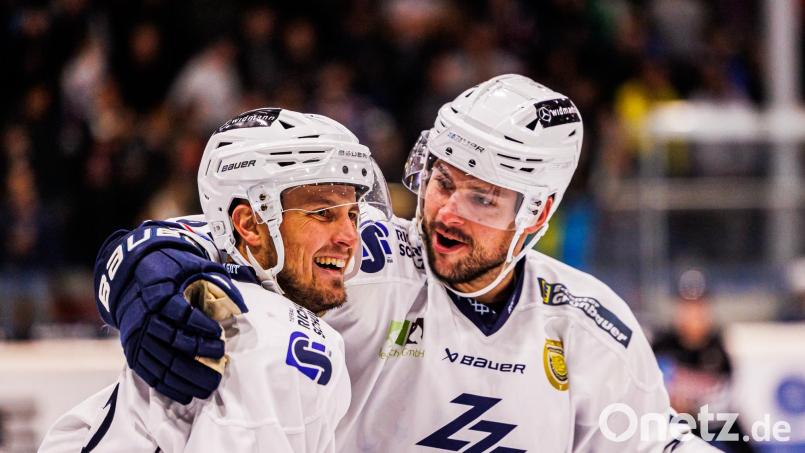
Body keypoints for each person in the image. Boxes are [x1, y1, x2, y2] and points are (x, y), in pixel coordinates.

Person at [87, 75, 719, 451]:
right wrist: (146, 269)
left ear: (538, 211)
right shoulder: (368, 252)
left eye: (483, 199)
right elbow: (201, 237)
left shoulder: (590, 324)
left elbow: (647, 441)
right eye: (442, 182)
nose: (446, 212)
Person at [39, 108, 392, 452]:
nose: (351, 237)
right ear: (251, 225)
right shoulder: (273, 339)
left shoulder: (218, 281)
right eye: (322, 213)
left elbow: (157, 241)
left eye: (352, 214)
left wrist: (138, 259)